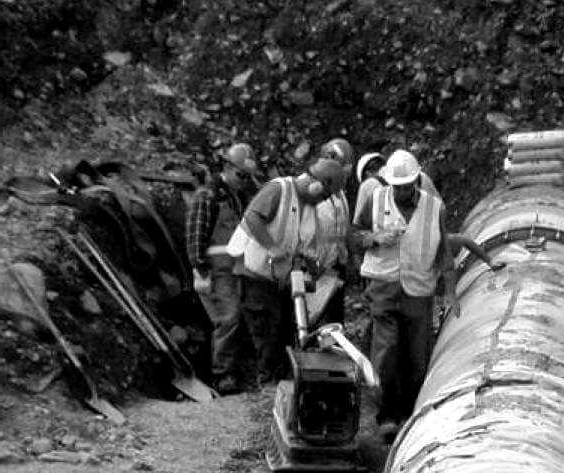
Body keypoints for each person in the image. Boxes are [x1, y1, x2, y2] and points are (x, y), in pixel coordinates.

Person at [353, 150, 455, 437]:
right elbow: (354, 233)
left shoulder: (435, 208)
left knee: (417, 355)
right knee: (386, 351)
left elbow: (444, 251)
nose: (400, 191)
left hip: (418, 292)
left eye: (406, 186)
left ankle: (411, 414)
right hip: (384, 287)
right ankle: (387, 415)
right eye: (396, 186)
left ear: (416, 182)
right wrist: (373, 238)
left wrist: (451, 291)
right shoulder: (376, 199)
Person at [230, 157, 351, 383]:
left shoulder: (309, 207)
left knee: (285, 330)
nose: (323, 201)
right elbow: (252, 217)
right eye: (324, 195)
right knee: (267, 333)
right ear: (317, 184)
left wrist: (314, 268)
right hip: (255, 275)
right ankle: (268, 385)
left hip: (280, 280)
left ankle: (284, 383)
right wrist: (272, 248)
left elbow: (305, 244)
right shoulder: (279, 189)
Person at [184, 142, 261, 393]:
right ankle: (222, 375)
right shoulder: (208, 196)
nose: (244, 181)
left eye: (247, 177)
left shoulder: (234, 197)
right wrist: (200, 270)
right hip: (216, 271)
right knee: (229, 319)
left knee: (238, 318)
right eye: (241, 175)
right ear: (227, 167)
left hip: (234, 269)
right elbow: (196, 237)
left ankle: (234, 369)